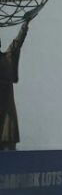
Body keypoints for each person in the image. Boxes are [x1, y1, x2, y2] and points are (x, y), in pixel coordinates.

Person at [0, 20, 29, 151]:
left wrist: (25, 25)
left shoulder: (7, 57)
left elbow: (17, 43)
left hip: (6, 112)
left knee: (8, 146)